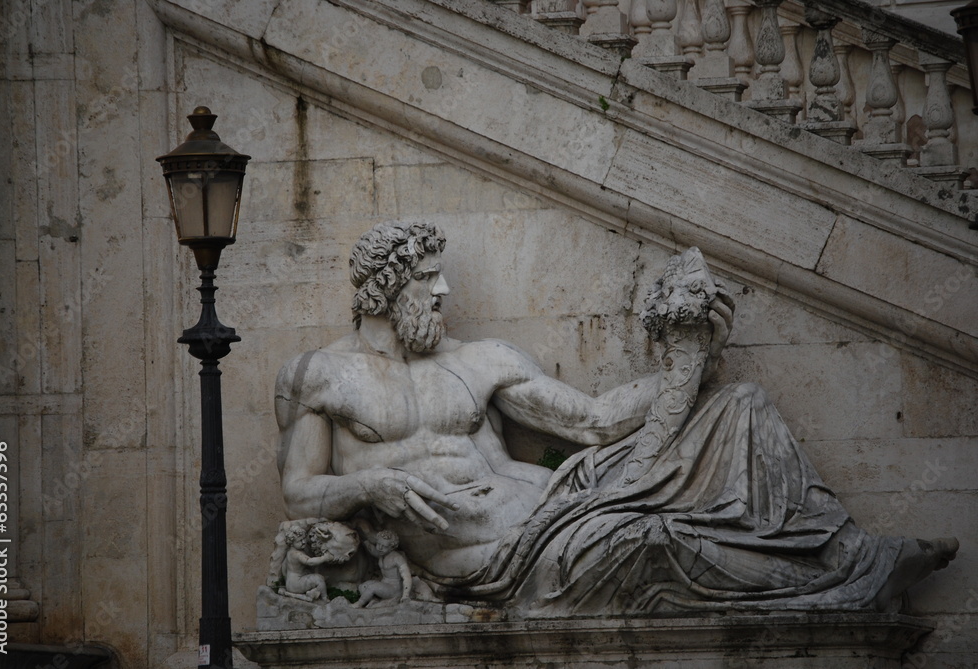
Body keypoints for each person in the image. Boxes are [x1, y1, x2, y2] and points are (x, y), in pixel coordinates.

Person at [275, 220, 956, 615]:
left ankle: (845, 554)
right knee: (650, 536)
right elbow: (300, 488)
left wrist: (689, 361)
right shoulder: (322, 376)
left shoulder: (479, 360)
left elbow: (596, 421)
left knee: (740, 407)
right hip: (497, 559)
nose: (444, 289)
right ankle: (830, 586)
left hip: (562, 503)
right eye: (429, 277)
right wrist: (369, 487)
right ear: (390, 287)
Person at [354, 530, 413, 608]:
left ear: (392, 547)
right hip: (384, 583)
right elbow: (371, 549)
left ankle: (359, 604)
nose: (380, 548)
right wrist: (361, 537)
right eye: (378, 544)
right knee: (362, 586)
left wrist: (405, 595)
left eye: (384, 546)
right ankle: (373, 601)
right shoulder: (381, 554)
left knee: (372, 587)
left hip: (394, 588)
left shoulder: (397, 558)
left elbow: (407, 576)